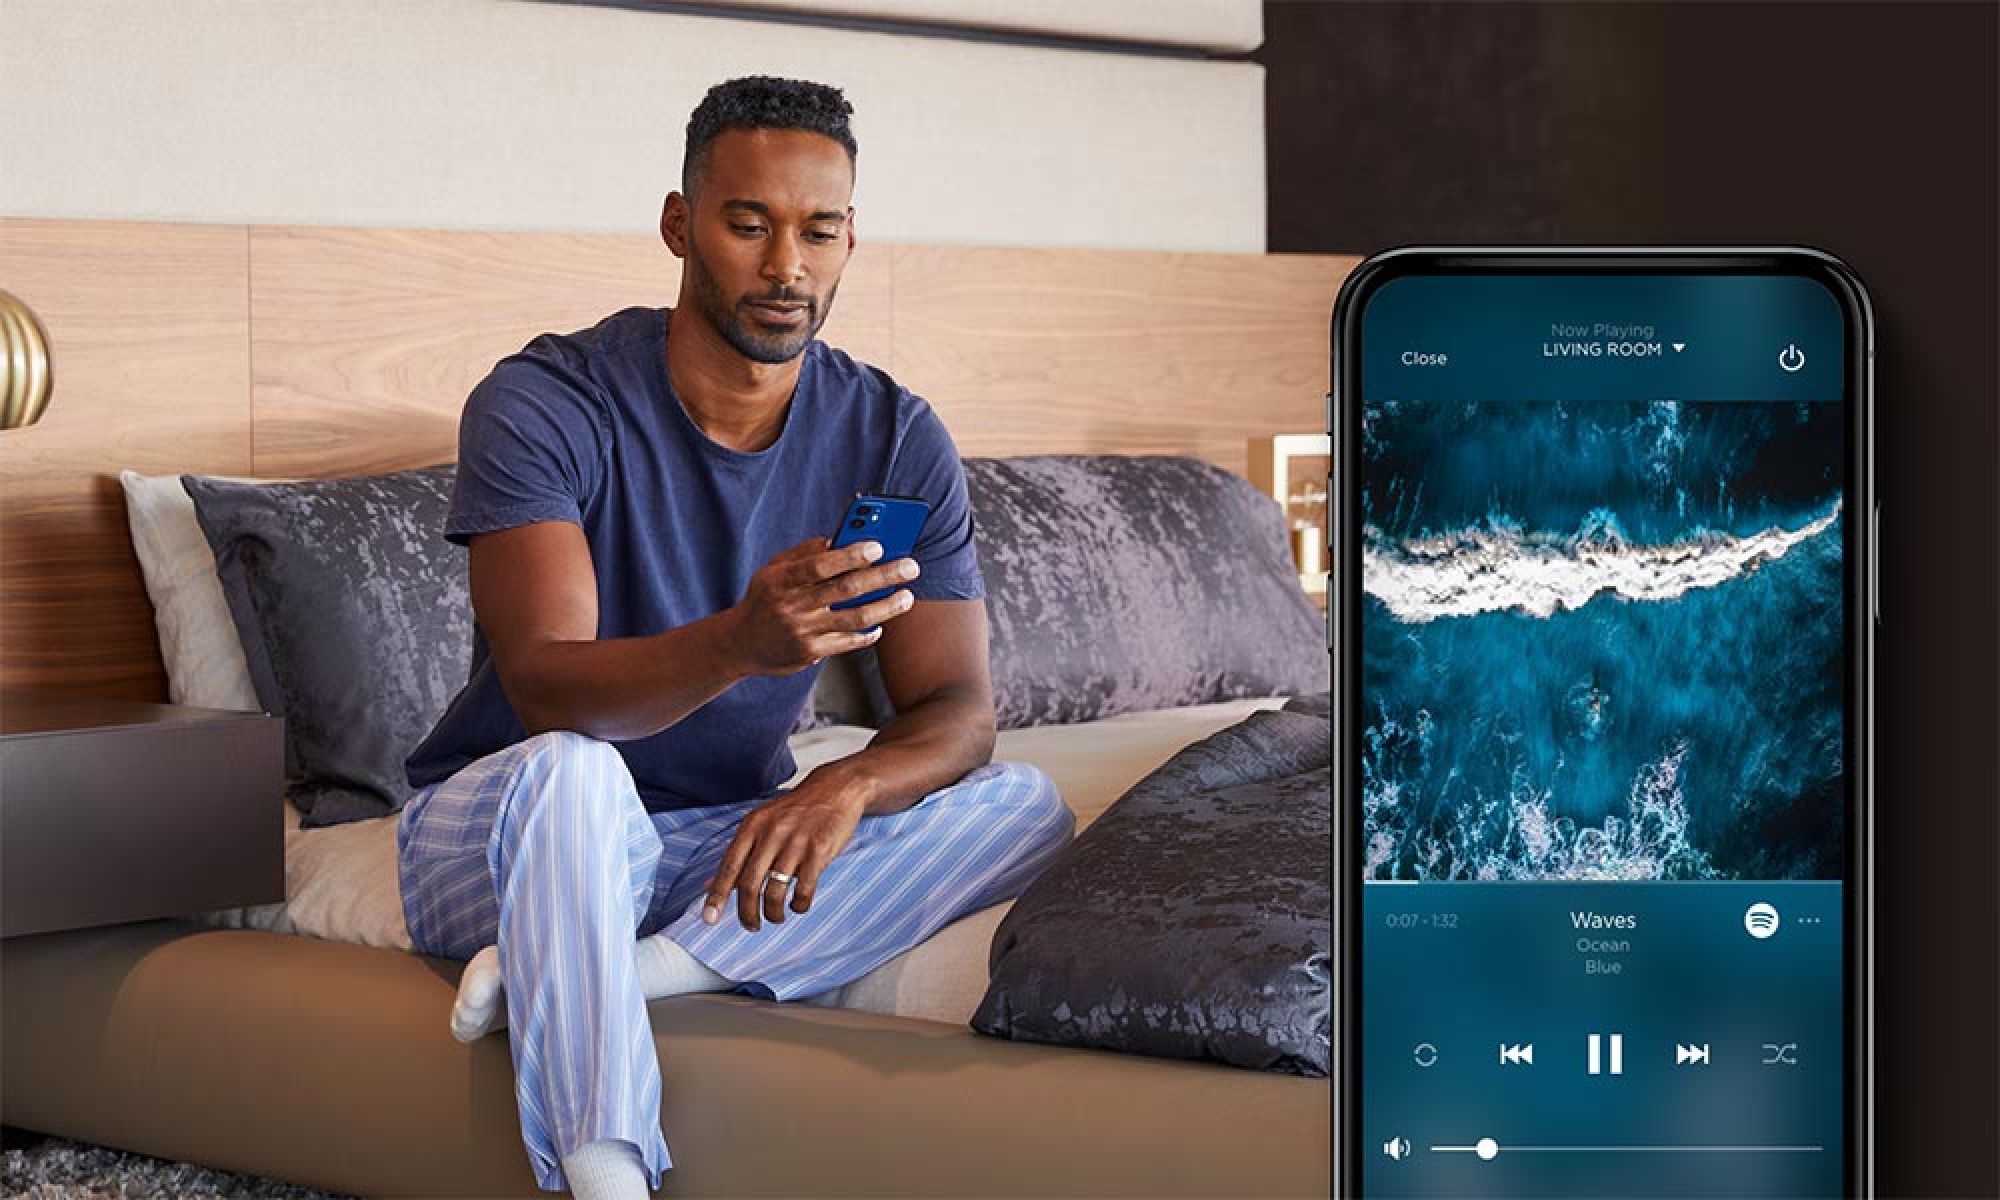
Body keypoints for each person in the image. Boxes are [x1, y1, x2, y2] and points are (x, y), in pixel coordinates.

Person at [397, 76, 1074, 1200]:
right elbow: (548, 690)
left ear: (851, 236)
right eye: (749, 225)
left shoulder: (893, 432)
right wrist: (739, 646)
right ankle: (607, 1177)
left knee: (1024, 805)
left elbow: (955, 710)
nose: (787, 267)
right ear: (680, 225)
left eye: (819, 230)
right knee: (574, 773)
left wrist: (845, 787)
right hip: (505, 832)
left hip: (714, 840)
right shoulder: (545, 401)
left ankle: (632, 969)